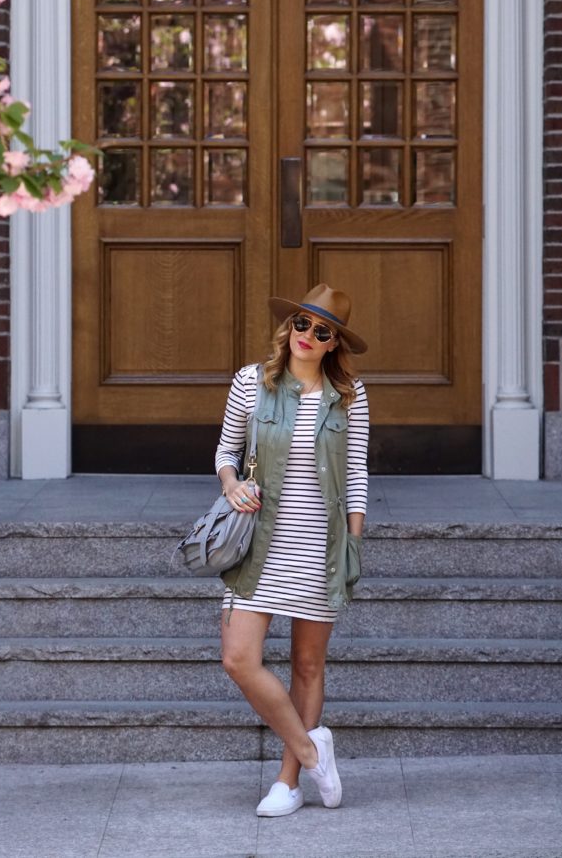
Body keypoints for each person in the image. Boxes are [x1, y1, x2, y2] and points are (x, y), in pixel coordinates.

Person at [215, 283, 369, 818]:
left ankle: (289, 780)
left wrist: (353, 542)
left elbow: (356, 472)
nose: (307, 335)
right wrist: (231, 484)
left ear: (334, 344)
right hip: (259, 540)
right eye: (302, 324)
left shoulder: (350, 394)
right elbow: (226, 450)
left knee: (307, 663)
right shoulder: (251, 383)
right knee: (238, 658)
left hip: (319, 543)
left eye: (321, 331)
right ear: (290, 327)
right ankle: (311, 749)